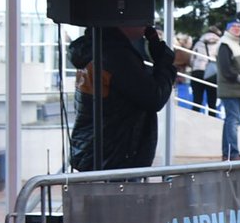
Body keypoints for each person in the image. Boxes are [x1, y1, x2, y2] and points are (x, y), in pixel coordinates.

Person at [68, 25, 177, 171]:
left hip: (94, 150)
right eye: (141, 17)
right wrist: (164, 63)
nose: (147, 23)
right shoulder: (116, 56)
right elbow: (154, 97)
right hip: (114, 156)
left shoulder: (95, 49)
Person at [216, 19, 240, 161]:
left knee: (231, 121)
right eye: (234, 26)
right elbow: (226, 68)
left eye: (239, 26)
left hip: (238, 90)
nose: (237, 28)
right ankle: (232, 153)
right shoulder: (225, 44)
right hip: (232, 90)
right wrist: (238, 78)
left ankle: (228, 152)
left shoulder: (236, 44)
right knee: (233, 121)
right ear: (228, 28)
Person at [190, 24, 221, 116]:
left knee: (197, 99)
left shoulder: (198, 43)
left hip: (197, 71)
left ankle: (194, 118)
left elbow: (192, 59)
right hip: (212, 73)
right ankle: (212, 119)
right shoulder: (220, 43)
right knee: (212, 101)